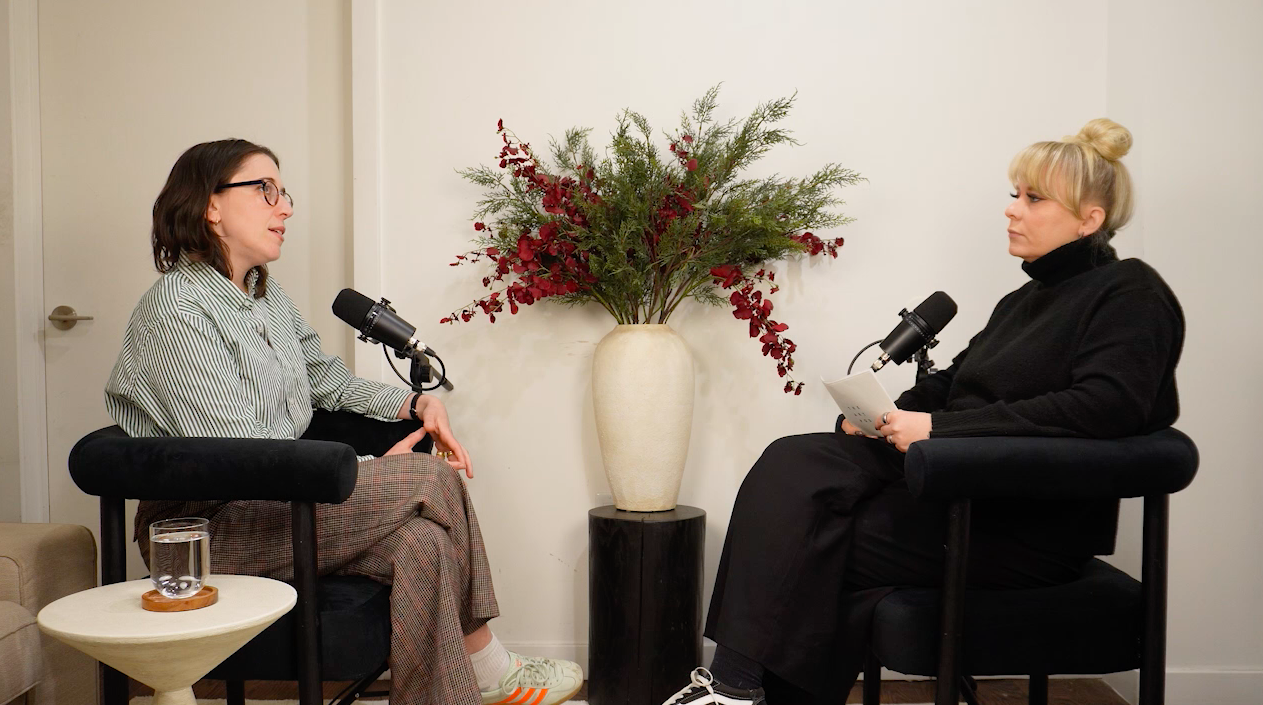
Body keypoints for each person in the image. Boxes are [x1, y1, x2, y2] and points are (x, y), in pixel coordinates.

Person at [662, 118, 1184, 705]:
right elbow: (954, 385)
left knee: (806, 534)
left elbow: (1105, 407)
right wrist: (883, 415)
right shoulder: (1024, 301)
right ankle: (738, 688)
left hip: (1021, 528)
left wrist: (938, 430)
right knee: (792, 461)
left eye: (1034, 198)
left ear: (1089, 218)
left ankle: (735, 688)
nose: (1012, 210)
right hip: (951, 492)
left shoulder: (1131, 294)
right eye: (1015, 194)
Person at [105, 139, 583, 705]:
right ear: (211, 205)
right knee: (430, 479)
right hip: (211, 527)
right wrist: (368, 471)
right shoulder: (177, 312)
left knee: (423, 542)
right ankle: (489, 667)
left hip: (279, 506)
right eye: (266, 191)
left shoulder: (263, 297)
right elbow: (242, 455)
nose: (284, 208)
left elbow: (323, 377)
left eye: (284, 194)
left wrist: (414, 404)